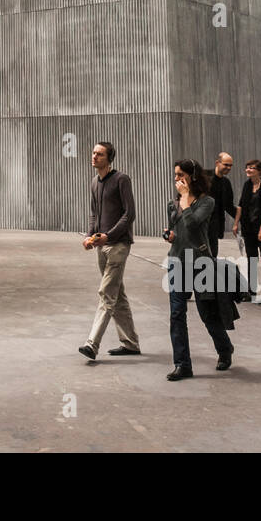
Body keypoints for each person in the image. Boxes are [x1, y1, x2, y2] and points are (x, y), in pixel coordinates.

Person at [164, 159, 236, 380]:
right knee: (177, 314)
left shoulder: (208, 203)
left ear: (192, 176)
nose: (176, 179)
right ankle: (182, 364)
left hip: (200, 264)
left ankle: (225, 349)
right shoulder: (172, 204)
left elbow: (194, 225)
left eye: (180, 175)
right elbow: (181, 230)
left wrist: (185, 200)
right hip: (177, 262)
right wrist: (171, 236)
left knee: (208, 315)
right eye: (175, 175)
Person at [79, 141, 141, 361]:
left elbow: (129, 214)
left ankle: (91, 344)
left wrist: (110, 235)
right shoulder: (95, 182)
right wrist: (90, 236)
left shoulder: (121, 179)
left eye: (99, 154)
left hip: (118, 245)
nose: (94, 157)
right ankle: (131, 343)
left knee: (106, 293)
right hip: (100, 246)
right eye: (93, 153)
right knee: (117, 295)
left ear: (109, 158)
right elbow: (94, 214)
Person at [233, 159, 261, 304]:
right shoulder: (247, 185)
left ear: (259, 171)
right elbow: (240, 206)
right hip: (248, 230)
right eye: (247, 168)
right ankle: (251, 291)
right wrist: (235, 223)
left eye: (251, 168)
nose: (248, 170)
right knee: (251, 260)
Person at [207, 152, 234, 258]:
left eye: (230, 166)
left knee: (212, 257)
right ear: (217, 163)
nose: (228, 168)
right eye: (226, 165)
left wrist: (243, 217)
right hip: (200, 225)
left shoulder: (226, 183)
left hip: (214, 227)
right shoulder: (204, 176)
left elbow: (229, 206)